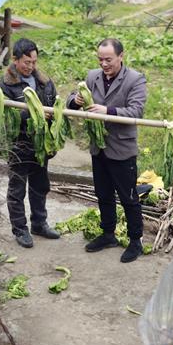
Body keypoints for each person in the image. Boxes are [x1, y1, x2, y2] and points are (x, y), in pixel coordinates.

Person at [69, 38, 147, 263]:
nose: (104, 64)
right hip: (98, 148)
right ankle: (108, 234)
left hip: (121, 148)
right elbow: (71, 102)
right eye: (100, 59)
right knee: (103, 194)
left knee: (129, 197)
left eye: (109, 60)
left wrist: (107, 110)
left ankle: (135, 241)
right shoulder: (92, 76)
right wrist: (75, 100)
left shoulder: (135, 79)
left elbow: (136, 112)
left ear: (121, 57)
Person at [0, 38, 61, 249]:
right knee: (17, 189)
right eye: (26, 62)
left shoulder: (44, 81)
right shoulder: (6, 85)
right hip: (18, 145)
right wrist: (32, 114)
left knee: (40, 186)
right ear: (15, 60)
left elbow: (53, 102)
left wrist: (54, 115)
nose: (31, 67)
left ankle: (39, 223)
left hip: (40, 145)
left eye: (34, 62)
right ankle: (20, 229)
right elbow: (7, 115)